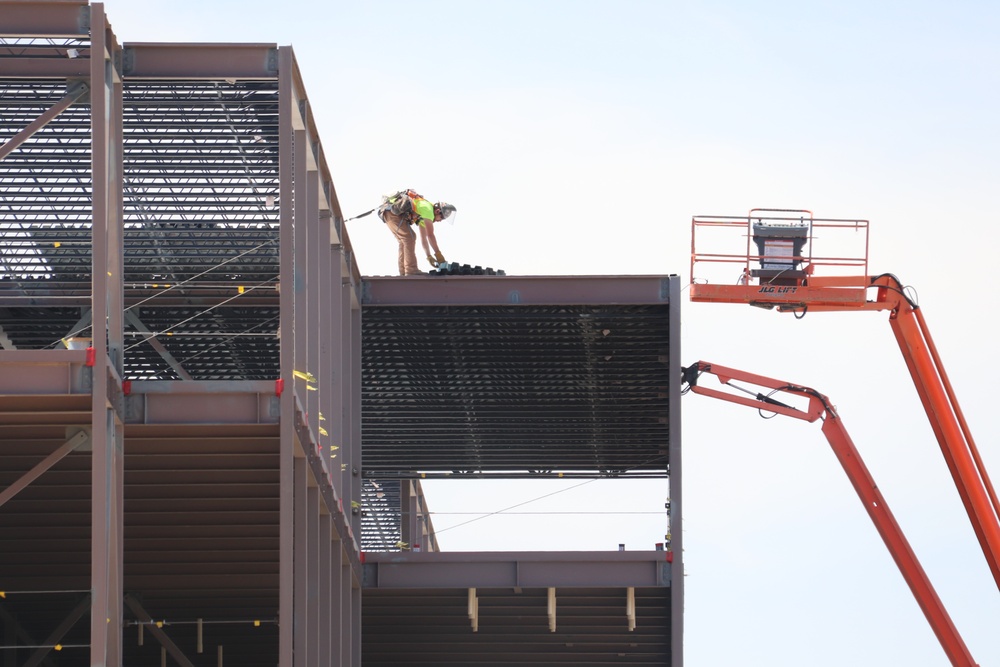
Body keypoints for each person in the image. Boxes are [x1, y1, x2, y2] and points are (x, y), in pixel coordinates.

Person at [377, 189, 456, 276]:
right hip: (391, 213)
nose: (440, 221)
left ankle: (403, 272)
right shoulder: (428, 210)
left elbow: (424, 238)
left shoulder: (424, 214)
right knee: (409, 238)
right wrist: (438, 255)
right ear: (437, 211)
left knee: (404, 241)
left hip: (388, 213)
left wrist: (429, 256)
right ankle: (411, 270)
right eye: (442, 218)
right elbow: (430, 235)